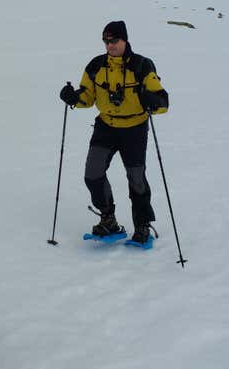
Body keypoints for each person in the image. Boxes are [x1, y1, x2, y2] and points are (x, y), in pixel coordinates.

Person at [59, 21, 169, 243]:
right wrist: (73, 97)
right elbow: (88, 97)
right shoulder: (96, 65)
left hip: (134, 129)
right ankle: (108, 220)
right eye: (106, 41)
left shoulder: (142, 65)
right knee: (92, 173)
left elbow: (163, 102)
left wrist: (152, 101)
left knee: (136, 178)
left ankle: (142, 225)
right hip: (106, 126)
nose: (110, 45)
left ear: (125, 40)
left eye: (114, 40)